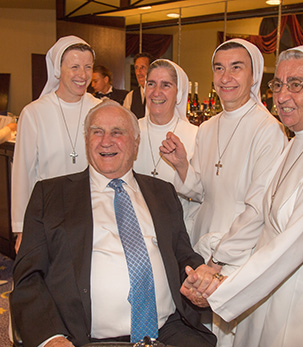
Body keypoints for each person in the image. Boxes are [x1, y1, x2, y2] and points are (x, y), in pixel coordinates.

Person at [181, 44, 303, 347]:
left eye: (296, 84)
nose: (282, 96)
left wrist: (222, 290)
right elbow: (263, 215)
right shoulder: (300, 140)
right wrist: (220, 267)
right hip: (278, 282)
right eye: (279, 84)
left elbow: (293, 242)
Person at [10, 100, 216, 347]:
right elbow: (28, 278)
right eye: (97, 132)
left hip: (169, 331)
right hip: (82, 339)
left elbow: (184, 256)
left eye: (117, 132)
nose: (106, 141)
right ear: (87, 140)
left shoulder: (163, 192)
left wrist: (199, 277)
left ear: (135, 142)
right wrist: (52, 339)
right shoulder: (51, 196)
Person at [160, 38, 287, 345]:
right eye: (219, 68)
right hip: (203, 246)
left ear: (253, 75)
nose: (225, 77)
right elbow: (201, 190)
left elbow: (258, 208)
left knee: (229, 337)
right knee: (201, 335)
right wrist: (181, 166)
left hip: (239, 253)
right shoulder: (207, 128)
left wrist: (219, 260)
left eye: (236, 68)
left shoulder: (268, 130)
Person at [11, 36, 101, 252]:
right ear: (58, 69)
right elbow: (23, 173)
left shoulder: (100, 110)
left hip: (95, 213)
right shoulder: (34, 113)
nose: (83, 75)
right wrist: (22, 229)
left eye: (88, 67)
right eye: (75, 67)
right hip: (48, 215)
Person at [134, 59, 200, 243]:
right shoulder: (130, 130)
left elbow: (202, 194)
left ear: (178, 93)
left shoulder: (195, 135)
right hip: (135, 231)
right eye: (151, 84)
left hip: (177, 235)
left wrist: (182, 166)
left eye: (166, 85)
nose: (156, 92)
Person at [123, 52, 154, 118]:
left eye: (142, 67)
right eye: (136, 68)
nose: (139, 72)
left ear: (151, 70)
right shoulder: (130, 97)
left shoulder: (160, 94)